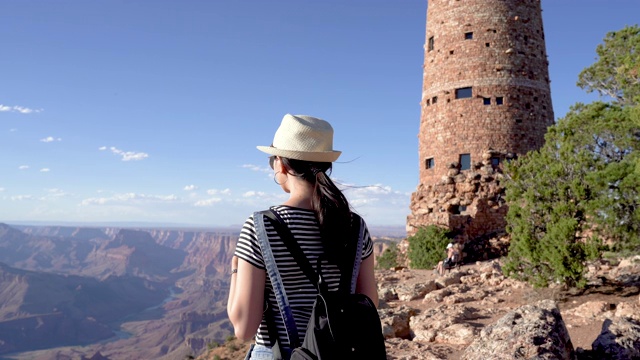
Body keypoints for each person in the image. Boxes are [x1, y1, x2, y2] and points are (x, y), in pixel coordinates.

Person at [226, 114, 379, 359]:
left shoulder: (261, 226)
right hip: (339, 353)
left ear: (281, 164)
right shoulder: (356, 226)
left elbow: (243, 329)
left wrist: (235, 271)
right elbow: (368, 304)